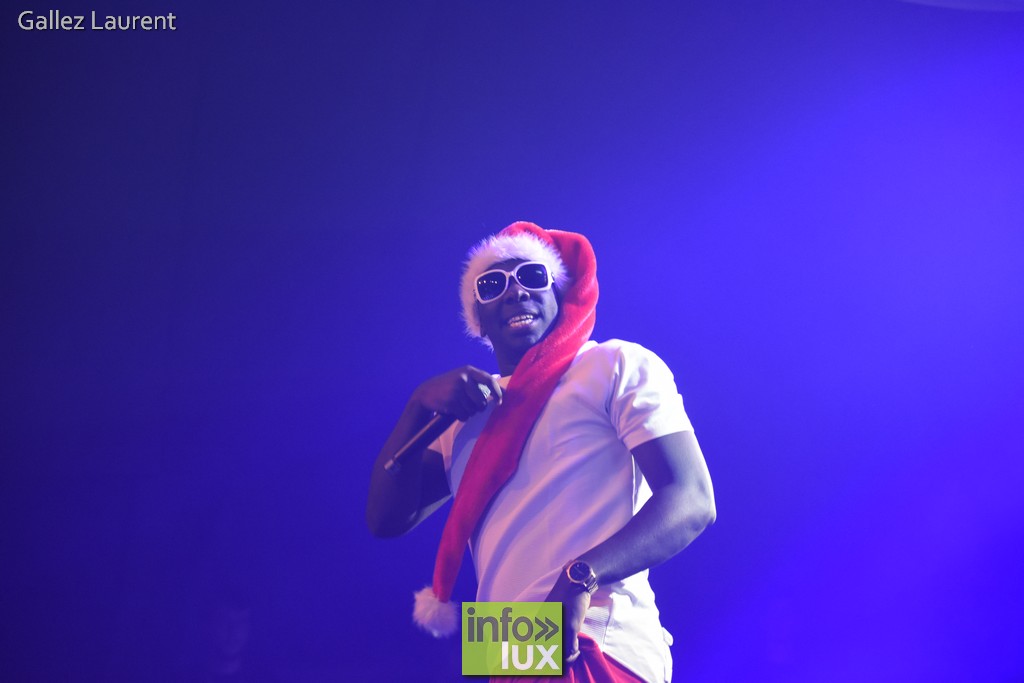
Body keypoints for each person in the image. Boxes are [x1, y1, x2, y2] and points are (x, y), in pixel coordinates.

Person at [366, 221, 716, 683]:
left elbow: (692, 499)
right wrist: (417, 406)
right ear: (477, 317)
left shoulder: (611, 363)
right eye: (493, 285)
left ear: (559, 293)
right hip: (507, 650)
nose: (515, 292)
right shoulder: (468, 412)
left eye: (532, 276)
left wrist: (582, 576)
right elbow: (385, 521)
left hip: (595, 639)